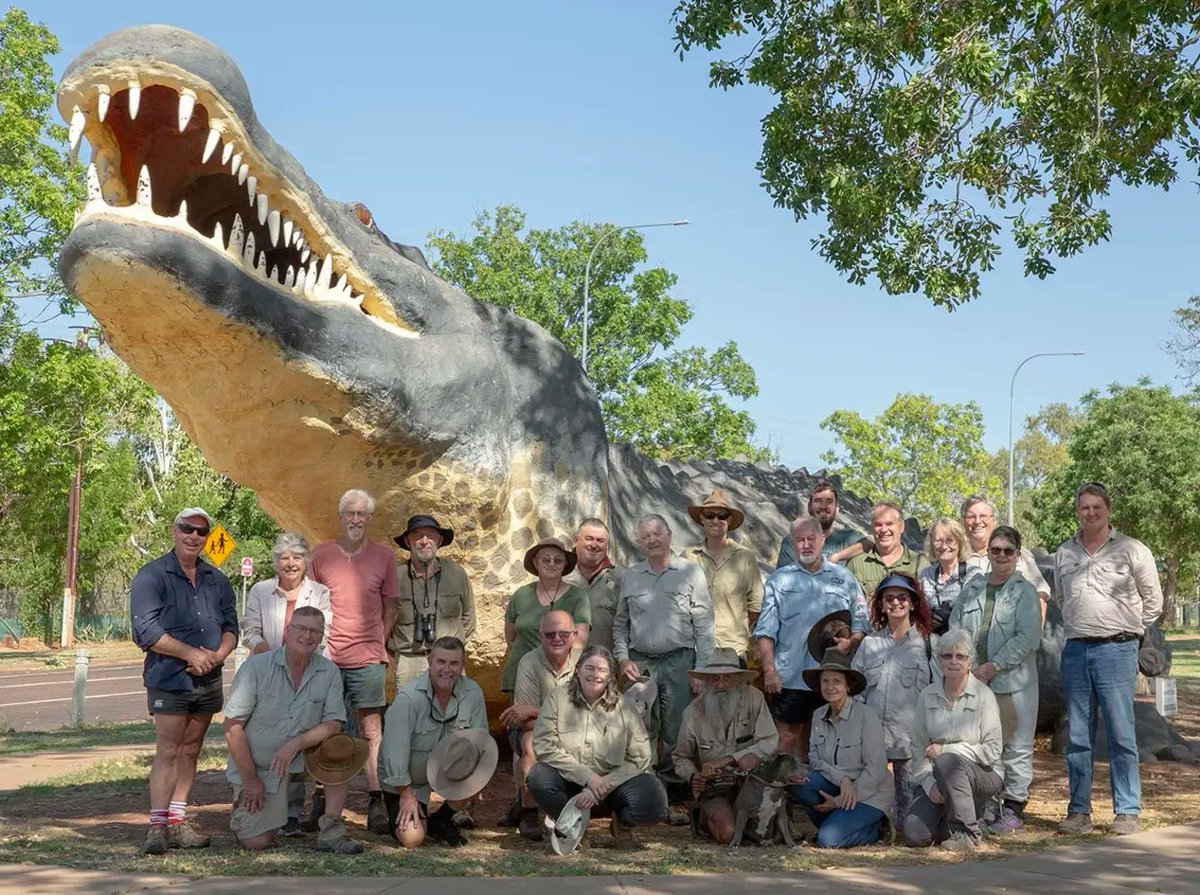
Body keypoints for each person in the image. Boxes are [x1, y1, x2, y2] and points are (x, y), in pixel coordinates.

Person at [1054, 482, 1163, 836]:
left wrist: (1131, 633)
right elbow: (1060, 596)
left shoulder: (1132, 550)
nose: (1090, 513)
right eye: (1084, 507)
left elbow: (1153, 600)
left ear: (1108, 510)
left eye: (1096, 507)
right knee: (1078, 735)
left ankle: (1127, 811)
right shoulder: (1064, 553)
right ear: (1077, 512)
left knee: (1120, 732)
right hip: (1075, 650)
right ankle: (1079, 812)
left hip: (1117, 650)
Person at [131, 506, 238, 855]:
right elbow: (146, 631)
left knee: (192, 748)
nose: (194, 536)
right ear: (174, 531)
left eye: (201, 531)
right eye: (187, 529)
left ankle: (177, 822)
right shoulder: (152, 576)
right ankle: (157, 827)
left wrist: (217, 656)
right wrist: (191, 654)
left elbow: (230, 627)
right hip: (169, 678)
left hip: (208, 678)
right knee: (169, 750)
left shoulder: (216, 580)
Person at [222, 606, 362, 854]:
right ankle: (261, 812)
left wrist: (294, 745)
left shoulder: (328, 671)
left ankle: (331, 831)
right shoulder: (256, 668)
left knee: (342, 750)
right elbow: (232, 728)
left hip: (305, 758)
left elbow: (334, 723)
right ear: (288, 631)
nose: (307, 636)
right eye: (301, 628)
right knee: (257, 842)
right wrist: (251, 780)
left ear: (321, 637)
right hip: (263, 766)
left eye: (315, 631)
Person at [308, 488, 399, 834]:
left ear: (370, 519)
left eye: (362, 514)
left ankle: (376, 799)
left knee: (371, 730)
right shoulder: (321, 555)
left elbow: (391, 604)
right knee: (328, 727)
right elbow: (311, 602)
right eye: (350, 513)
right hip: (328, 657)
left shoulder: (383, 557)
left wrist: (379, 639)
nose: (356, 520)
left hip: (367, 658)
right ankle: (321, 798)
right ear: (340, 516)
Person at [613, 513, 715, 819]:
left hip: (680, 662)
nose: (653, 540)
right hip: (641, 663)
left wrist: (701, 671)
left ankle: (676, 794)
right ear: (639, 542)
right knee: (641, 729)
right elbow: (620, 624)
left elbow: (705, 626)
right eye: (646, 536)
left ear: (670, 535)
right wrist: (622, 659)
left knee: (677, 730)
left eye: (658, 533)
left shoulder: (690, 572)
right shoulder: (631, 576)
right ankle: (645, 793)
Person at [528, 645, 668, 849]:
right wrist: (586, 776)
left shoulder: (624, 707)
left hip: (611, 788)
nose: (595, 675)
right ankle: (576, 826)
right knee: (538, 777)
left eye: (602, 670)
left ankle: (623, 825)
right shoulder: (557, 698)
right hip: (571, 785)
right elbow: (543, 745)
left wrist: (598, 788)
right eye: (589, 668)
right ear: (578, 670)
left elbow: (640, 759)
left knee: (654, 799)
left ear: (611, 676)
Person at [950, 525, 1042, 835]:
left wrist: (994, 665)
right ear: (987, 552)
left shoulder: (1025, 591)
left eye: (1008, 551)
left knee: (1015, 746)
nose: (1001, 556)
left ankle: (1014, 806)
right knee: (984, 745)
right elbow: (957, 625)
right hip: (976, 681)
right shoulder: (973, 587)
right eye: (995, 550)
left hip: (1013, 682)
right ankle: (989, 804)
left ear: (1017, 555)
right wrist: (967, 665)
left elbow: (1027, 637)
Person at [239, 532, 333, 835]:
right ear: (276, 562)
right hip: (267, 674)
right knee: (269, 737)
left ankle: (292, 813)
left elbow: (323, 631)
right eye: (284, 557)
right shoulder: (260, 590)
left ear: (306, 562)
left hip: (305, 672)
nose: (290, 563)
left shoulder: (319, 592)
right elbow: (250, 630)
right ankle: (261, 803)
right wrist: (272, 657)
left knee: (299, 735)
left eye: (296, 557)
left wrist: (298, 655)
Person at [754, 516, 867, 760]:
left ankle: (813, 793)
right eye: (799, 540)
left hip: (831, 675)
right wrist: (769, 670)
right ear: (792, 544)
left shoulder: (844, 578)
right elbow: (765, 630)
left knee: (827, 737)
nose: (806, 545)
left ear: (822, 540)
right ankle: (779, 793)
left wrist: (852, 642)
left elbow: (861, 622)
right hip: (790, 676)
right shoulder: (779, 580)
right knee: (785, 737)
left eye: (811, 539)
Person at [380, 636, 490, 847]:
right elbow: (394, 753)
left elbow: (480, 741)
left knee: (483, 764)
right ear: (430, 661)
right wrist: (406, 795)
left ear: (462, 666)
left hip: (444, 770)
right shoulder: (409, 699)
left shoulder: (473, 693)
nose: (447, 669)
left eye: (454, 663)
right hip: (406, 778)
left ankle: (443, 818)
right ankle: (403, 816)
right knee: (413, 839)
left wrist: (468, 769)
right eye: (441, 662)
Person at [902, 629, 1003, 852]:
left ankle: (968, 834)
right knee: (914, 835)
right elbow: (918, 750)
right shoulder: (926, 696)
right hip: (936, 777)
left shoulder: (984, 695)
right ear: (938, 660)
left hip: (983, 774)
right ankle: (966, 816)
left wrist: (948, 749)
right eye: (947, 656)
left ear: (970, 661)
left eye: (961, 656)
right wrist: (930, 788)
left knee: (947, 760)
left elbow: (993, 751)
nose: (954, 662)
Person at [851, 573, 939, 826]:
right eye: (889, 598)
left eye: (903, 597)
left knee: (909, 822)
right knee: (869, 811)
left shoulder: (929, 644)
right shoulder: (869, 644)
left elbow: (939, 695)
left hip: (912, 744)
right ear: (880, 604)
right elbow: (856, 692)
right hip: (873, 743)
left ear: (913, 603)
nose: (896, 603)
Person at [672, 648, 778, 844]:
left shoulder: (754, 698)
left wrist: (730, 760)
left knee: (763, 833)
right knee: (729, 834)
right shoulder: (693, 712)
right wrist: (693, 776)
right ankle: (703, 817)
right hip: (715, 787)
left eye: (727, 678)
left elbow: (769, 741)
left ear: (738, 678)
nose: (721, 684)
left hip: (750, 783)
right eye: (715, 678)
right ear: (706, 681)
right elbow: (680, 757)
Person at [790, 649, 892, 848]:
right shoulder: (819, 715)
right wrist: (842, 779)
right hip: (837, 786)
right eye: (825, 681)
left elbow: (877, 768)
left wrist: (842, 798)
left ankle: (874, 829)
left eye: (836, 681)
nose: (830, 687)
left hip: (868, 794)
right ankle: (836, 823)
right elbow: (815, 759)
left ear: (848, 685)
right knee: (800, 782)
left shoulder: (866, 716)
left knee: (828, 841)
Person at [500, 610, 582, 841]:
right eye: (550, 634)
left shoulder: (585, 663)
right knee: (531, 741)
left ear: (574, 636)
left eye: (564, 634)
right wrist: (564, 715)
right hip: (534, 730)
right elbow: (526, 722)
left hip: (576, 729)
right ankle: (528, 813)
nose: (557, 638)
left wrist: (538, 710)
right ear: (540, 636)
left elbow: (587, 715)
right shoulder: (529, 662)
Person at [388, 514, 476, 691]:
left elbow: (469, 617)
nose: (424, 541)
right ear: (408, 541)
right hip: (409, 660)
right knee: (409, 715)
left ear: (440, 540)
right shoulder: (395, 577)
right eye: (418, 536)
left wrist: (450, 648)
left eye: (431, 535)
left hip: (449, 661)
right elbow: (384, 619)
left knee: (453, 713)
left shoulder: (456, 573)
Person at [682, 489, 763, 663]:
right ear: (702, 519)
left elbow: (755, 606)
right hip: (695, 648)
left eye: (722, 515)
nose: (716, 520)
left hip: (734, 649)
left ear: (730, 520)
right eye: (710, 515)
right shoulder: (688, 557)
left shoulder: (745, 557)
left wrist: (733, 628)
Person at [501, 537, 591, 694]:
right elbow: (511, 638)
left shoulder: (578, 597)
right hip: (521, 675)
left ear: (565, 565)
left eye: (557, 560)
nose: (551, 564)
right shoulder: (521, 595)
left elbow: (579, 642)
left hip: (561, 678)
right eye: (545, 559)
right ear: (536, 563)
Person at [961, 495, 1052, 620]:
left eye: (983, 516)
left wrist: (1033, 637)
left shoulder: (1018, 555)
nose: (977, 521)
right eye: (971, 517)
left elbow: (1040, 597)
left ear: (994, 521)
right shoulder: (956, 557)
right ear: (963, 522)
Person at [775, 480, 867, 569]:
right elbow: (783, 577)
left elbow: (869, 543)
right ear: (809, 507)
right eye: (818, 501)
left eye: (829, 501)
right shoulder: (791, 542)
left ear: (837, 509)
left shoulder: (847, 537)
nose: (823, 506)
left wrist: (837, 556)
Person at [564, 518, 623, 654]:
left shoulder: (621, 578)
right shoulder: (560, 575)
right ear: (576, 540)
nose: (594, 545)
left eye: (600, 541)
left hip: (604, 668)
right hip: (563, 666)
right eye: (589, 538)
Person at [845, 502, 927, 597]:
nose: (883, 530)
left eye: (889, 524)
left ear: (901, 526)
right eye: (878, 525)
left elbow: (927, 605)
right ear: (872, 528)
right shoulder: (856, 564)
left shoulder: (920, 564)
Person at [918, 518, 979, 634]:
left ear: (960, 542)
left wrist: (947, 619)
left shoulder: (973, 574)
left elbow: (976, 617)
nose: (944, 546)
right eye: (938, 540)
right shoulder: (925, 575)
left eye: (950, 540)